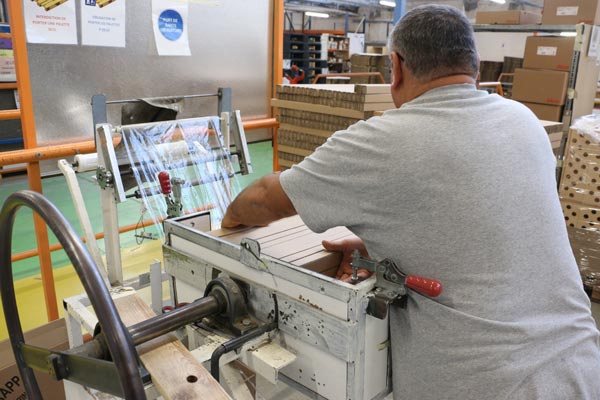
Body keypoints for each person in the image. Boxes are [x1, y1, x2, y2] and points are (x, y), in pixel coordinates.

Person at [222, 5, 600, 399]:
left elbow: (266, 199)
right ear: (472, 64)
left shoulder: (382, 142)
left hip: (483, 385)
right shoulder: (524, 122)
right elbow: (491, 223)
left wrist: (228, 221)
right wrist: (393, 244)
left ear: (396, 67)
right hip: (580, 365)